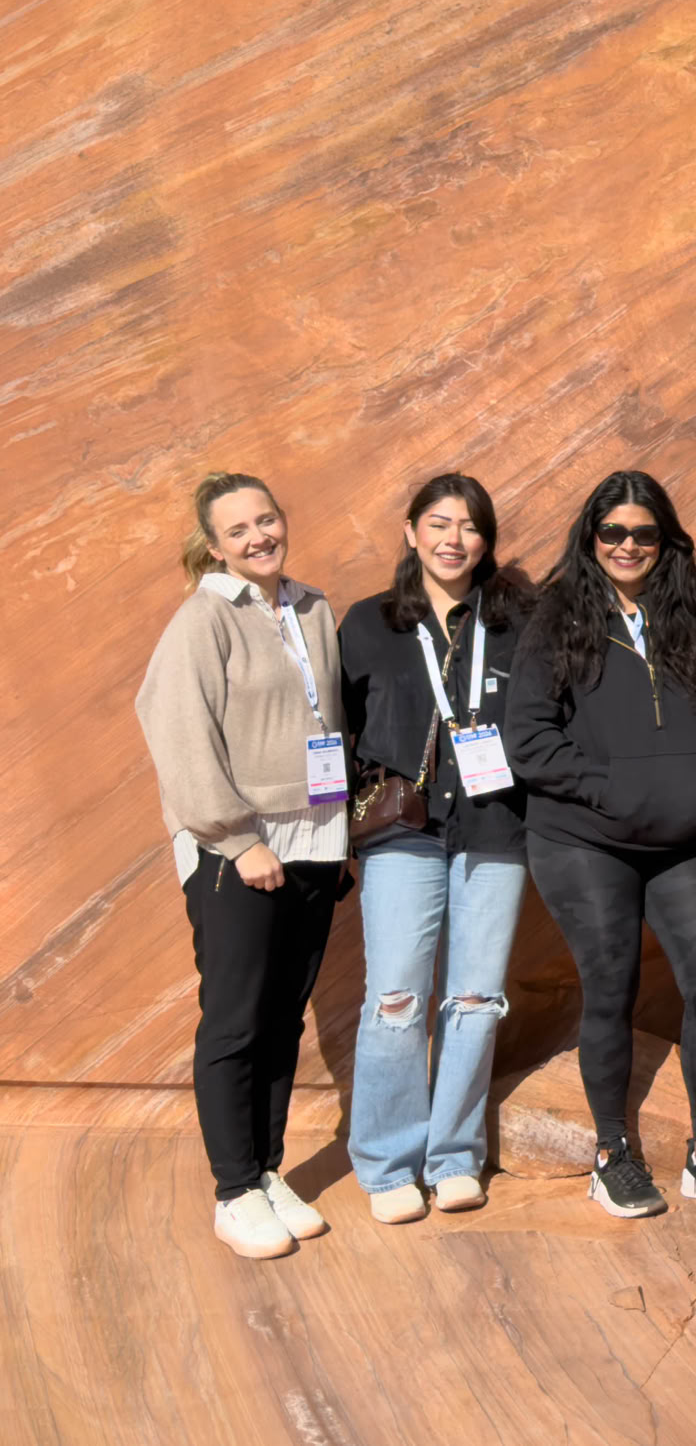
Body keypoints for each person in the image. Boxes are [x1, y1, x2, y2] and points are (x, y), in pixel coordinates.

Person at [508, 471, 696, 1220]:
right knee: (610, 988)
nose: (628, 545)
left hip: (691, 836)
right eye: (613, 532)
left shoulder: (695, 608)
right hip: (586, 839)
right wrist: (611, 790)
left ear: (665, 540)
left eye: (643, 533)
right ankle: (612, 1155)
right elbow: (528, 737)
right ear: (592, 537)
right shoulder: (559, 615)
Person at [135, 473, 350, 1260]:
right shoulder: (203, 618)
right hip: (242, 849)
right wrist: (236, 839)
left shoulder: (313, 607)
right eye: (240, 529)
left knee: (282, 1018)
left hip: (316, 839)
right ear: (215, 544)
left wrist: (339, 834)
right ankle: (232, 1191)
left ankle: (264, 1171)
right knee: (234, 1021)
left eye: (268, 518)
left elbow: (327, 719)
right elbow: (176, 733)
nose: (259, 536)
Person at [336, 474, 534, 1225]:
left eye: (470, 527)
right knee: (396, 1000)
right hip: (401, 831)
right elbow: (337, 725)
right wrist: (352, 802)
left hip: (496, 829)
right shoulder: (368, 623)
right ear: (412, 531)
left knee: (477, 1000)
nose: (454, 539)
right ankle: (388, 1161)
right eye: (439, 523)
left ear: (487, 540)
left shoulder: (520, 622)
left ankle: (454, 1157)